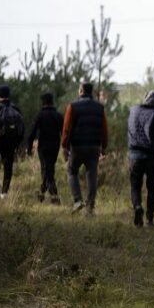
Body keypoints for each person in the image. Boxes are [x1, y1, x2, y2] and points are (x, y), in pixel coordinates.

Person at [62, 82, 109, 214]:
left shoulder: (72, 106)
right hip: (94, 147)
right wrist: (103, 147)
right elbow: (104, 129)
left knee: (72, 172)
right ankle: (90, 206)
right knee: (92, 174)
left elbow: (66, 128)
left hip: (77, 146)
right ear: (92, 92)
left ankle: (77, 201)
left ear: (81, 91)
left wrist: (65, 146)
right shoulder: (100, 108)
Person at [128, 91, 154, 227]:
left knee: (135, 186)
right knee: (151, 187)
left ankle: (137, 206)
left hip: (134, 154)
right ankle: (149, 219)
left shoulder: (133, 110)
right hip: (151, 156)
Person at [0, 85, 24, 198]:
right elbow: (21, 128)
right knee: (8, 165)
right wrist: (18, 143)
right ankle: (5, 192)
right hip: (11, 142)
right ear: (8, 95)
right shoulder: (15, 109)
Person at [26, 92, 64, 204]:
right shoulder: (58, 115)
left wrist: (29, 147)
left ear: (43, 102)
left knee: (46, 169)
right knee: (49, 169)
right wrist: (66, 146)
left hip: (43, 146)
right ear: (52, 102)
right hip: (55, 146)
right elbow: (64, 132)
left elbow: (32, 132)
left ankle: (51, 195)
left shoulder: (40, 115)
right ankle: (47, 194)